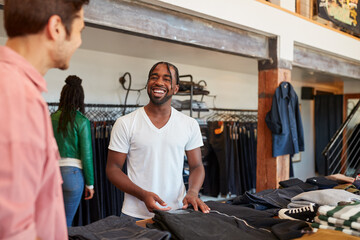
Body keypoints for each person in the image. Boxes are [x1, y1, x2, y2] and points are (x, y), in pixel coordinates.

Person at [0, 0, 89, 239]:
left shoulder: (20, 90)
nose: (79, 41)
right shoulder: (15, 95)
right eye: (80, 30)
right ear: (56, 28)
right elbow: (12, 228)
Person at [107, 61, 210, 220]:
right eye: (154, 77)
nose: (159, 82)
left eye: (167, 79)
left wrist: (193, 192)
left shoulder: (189, 124)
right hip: (135, 215)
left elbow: (196, 166)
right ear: (148, 84)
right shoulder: (126, 123)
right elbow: (113, 169)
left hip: (177, 212)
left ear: (175, 88)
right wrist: (142, 195)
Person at [51, 75, 95, 227]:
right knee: (65, 224)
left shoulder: (51, 118)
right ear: (80, 98)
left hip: (51, 175)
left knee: (52, 223)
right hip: (73, 177)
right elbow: (87, 155)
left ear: (63, 95)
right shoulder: (82, 121)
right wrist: (90, 184)